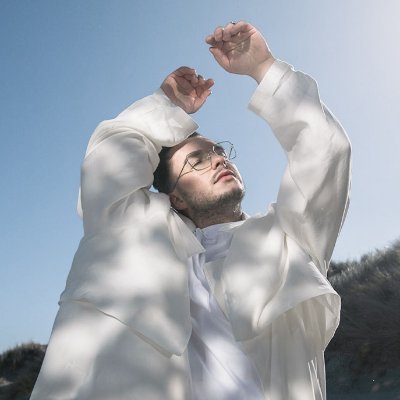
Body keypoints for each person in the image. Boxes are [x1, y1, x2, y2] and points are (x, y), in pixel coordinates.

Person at [30, 21, 351, 400]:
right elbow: (108, 163)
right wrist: (166, 105)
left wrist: (263, 67)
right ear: (175, 198)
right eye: (197, 161)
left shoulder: (288, 242)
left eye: (219, 151)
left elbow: (325, 151)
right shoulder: (129, 234)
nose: (218, 160)